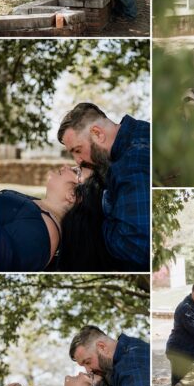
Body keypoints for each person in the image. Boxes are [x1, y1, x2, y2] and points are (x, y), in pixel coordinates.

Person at [57, 102, 150, 271]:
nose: (77, 161)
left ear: (97, 134)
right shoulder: (141, 130)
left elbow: (136, 246)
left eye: (77, 150)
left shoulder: (129, 166)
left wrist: (98, 220)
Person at [0, 165, 107, 273]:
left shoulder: (39, 235)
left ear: (72, 195)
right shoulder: (41, 211)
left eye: (76, 171)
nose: (65, 166)